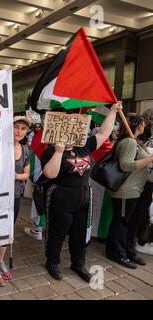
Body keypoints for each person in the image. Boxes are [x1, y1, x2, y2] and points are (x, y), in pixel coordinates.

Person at [41, 103, 120, 282]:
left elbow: (103, 134)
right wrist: (59, 152)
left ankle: (78, 264)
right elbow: (50, 174)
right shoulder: (51, 151)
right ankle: (52, 262)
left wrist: (114, 111)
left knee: (79, 233)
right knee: (57, 232)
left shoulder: (83, 146)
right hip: (61, 197)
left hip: (83, 198)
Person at [106, 115, 153, 268]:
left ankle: (127, 251)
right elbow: (125, 165)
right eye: (143, 123)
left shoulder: (134, 141)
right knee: (120, 222)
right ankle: (116, 253)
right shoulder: (129, 142)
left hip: (135, 190)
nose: (145, 125)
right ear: (139, 125)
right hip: (126, 190)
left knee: (127, 223)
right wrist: (150, 159)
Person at [0, 116, 30, 287]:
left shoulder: (26, 150)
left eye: (23, 129)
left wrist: (15, 176)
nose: (19, 131)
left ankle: (1, 261)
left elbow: (27, 173)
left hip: (15, 196)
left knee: (8, 229)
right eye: (16, 127)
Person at [135, 131, 153, 255]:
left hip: (147, 182)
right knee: (147, 214)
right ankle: (143, 242)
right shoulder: (149, 143)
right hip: (147, 183)